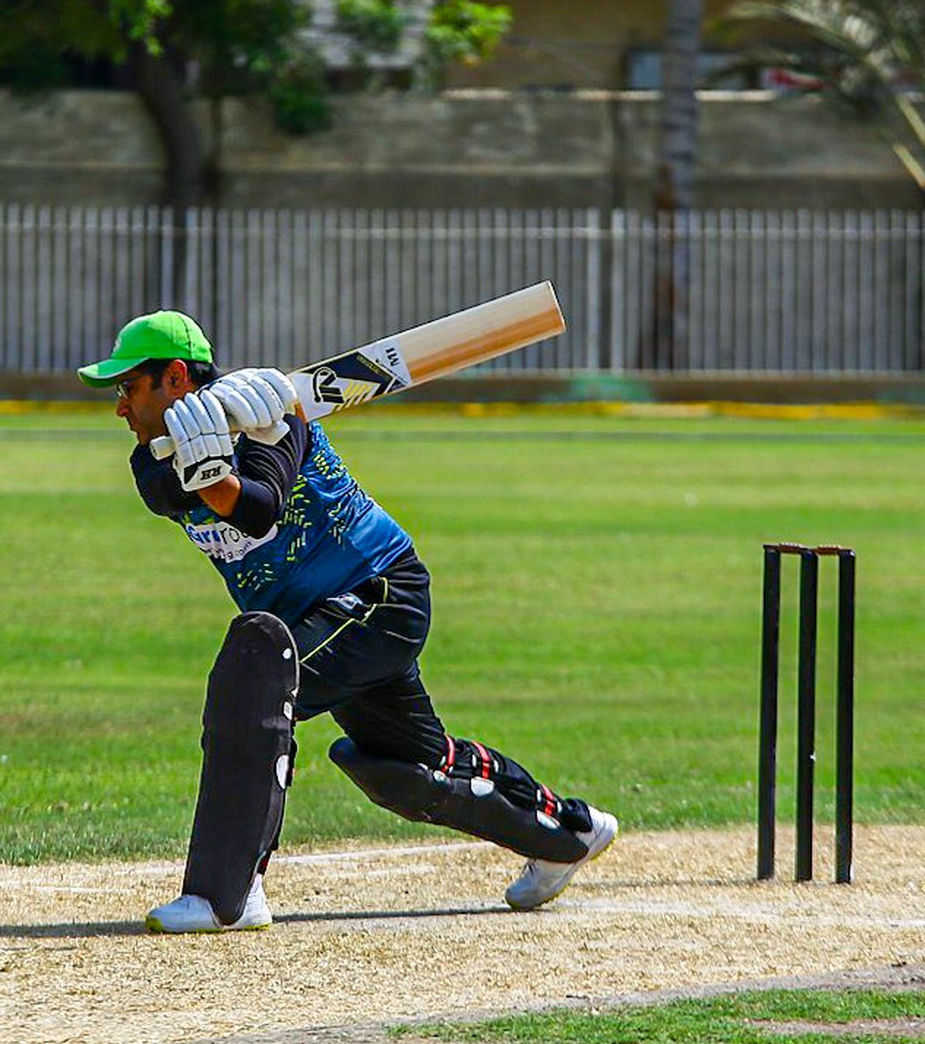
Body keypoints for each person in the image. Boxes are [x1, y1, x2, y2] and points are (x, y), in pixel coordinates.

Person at [78, 310, 617, 934]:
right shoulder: (149, 460)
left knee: (255, 680)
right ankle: (567, 833)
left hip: (379, 592)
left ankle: (228, 892)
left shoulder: (277, 421)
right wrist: (206, 467)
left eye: (128, 387)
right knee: (408, 770)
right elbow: (175, 492)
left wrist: (227, 464)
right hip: (312, 620)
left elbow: (258, 508)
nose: (121, 407)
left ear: (175, 376)